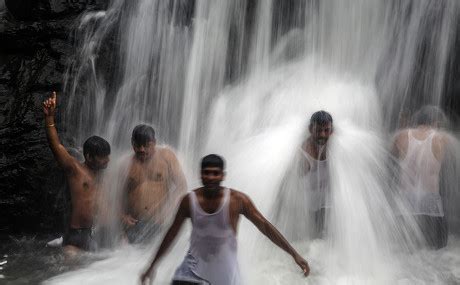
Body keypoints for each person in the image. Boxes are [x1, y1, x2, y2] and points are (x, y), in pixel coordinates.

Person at [140, 154, 310, 285]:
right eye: (207, 173)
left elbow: (265, 227)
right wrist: (152, 265)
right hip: (193, 270)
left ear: (223, 175)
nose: (211, 177)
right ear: (201, 175)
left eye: (215, 173)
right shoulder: (189, 201)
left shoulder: (238, 200)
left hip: (225, 272)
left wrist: (294, 254)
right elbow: (171, 234)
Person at [43, 92, 111, 254]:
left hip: (93, 235)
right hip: (75, 235)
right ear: (89, 157)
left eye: (108, 156)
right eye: (103, 157)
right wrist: (49, 118)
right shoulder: (75, 170)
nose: (108, 160)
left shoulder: (103, 175)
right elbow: (57, 147)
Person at [392, 106, 450, 249]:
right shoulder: (440, 139)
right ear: (434, 121)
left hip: (405, 200)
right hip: (430, 201)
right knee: (438, 248)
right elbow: (445, 162)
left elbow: (391, 157)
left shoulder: (401, 137)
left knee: (404, 248)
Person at [122, 124, 187, 244]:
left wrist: (168, 210)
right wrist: (122, 216)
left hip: (159, 223)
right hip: (134, 224)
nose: (142, 149)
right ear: (132, 143)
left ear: (154, 142)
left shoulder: (166, 157)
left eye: (146, 145)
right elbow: (115, 195)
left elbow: (181, 186)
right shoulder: (126, 164)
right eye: (137, 145)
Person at [300, 110, 333, 237]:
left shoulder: (338, 146)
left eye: (326, 130)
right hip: (311, 206)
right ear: (310, 129)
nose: (322, 135)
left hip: (331, 203)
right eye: (318, 130)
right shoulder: (303, 151)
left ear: (331, 130)